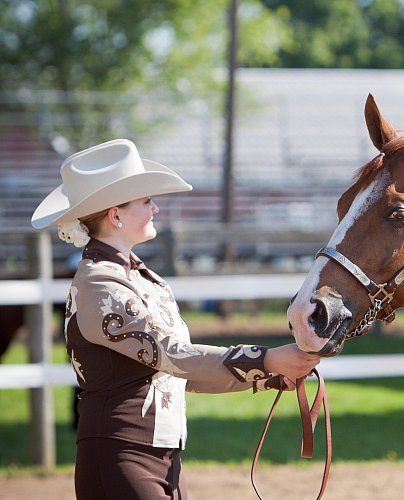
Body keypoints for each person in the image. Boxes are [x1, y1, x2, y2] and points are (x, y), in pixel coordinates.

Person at [31, 139, 320, 500]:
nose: (155, 208)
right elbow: (173, 354)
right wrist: (265, 358)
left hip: (161, 457)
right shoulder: (98, 283)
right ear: (115, 214)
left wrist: (270, 376)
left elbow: (181, 375)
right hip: (119, 453)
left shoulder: (140, 278)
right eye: (145, 201)